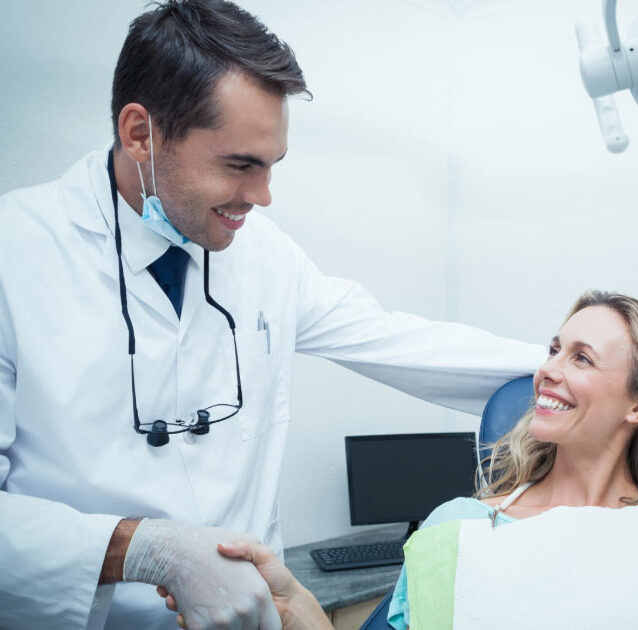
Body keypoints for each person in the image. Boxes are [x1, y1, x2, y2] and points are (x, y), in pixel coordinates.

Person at [0, 2, 543, 629]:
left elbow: (395, 340)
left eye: (271, 166)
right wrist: (142, 549)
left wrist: (572, 370)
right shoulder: (17, 254)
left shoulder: (262, 253)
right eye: (239, 165)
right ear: (140, 133)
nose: (260, 198)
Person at [180, 291, 638, 629]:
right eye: (554, 349)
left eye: (582, 359)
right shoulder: (455, 531)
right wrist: (293, 602)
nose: (549, 369)